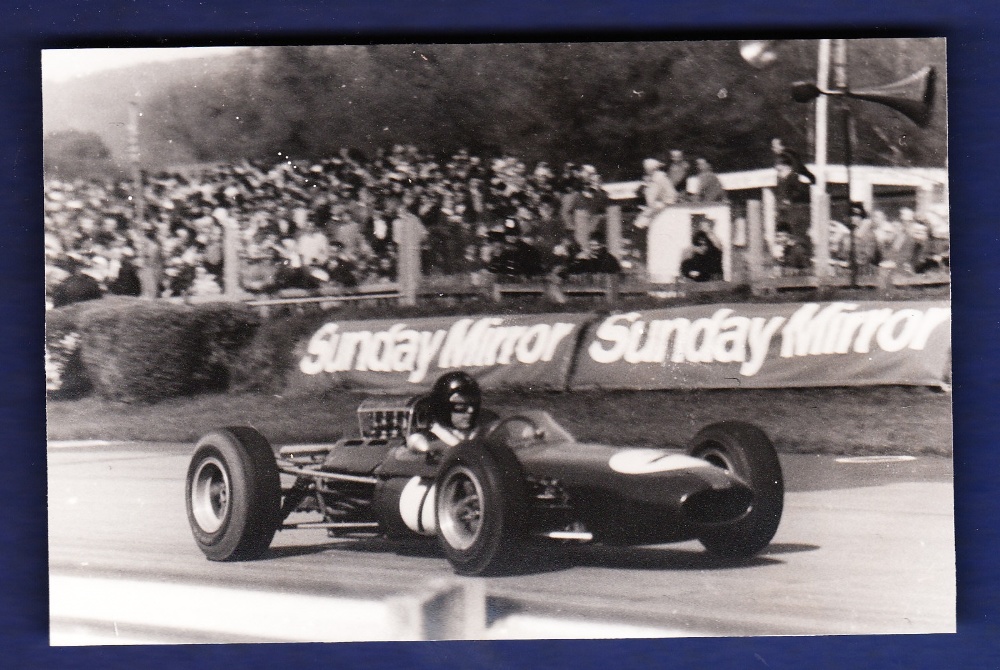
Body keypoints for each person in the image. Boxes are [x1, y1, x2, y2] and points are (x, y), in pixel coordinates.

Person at [407, 372, 499, 452]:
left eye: (473, 404)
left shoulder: (486, 429)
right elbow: (414, 444)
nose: (470, 411)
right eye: (461, 406)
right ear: (443, 407)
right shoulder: (427, 437)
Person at [635, 158, 676, 229]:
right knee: (642, 218)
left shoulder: (658, 178)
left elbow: (652, 198)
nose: (645, 171)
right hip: (658, 204)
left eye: (646, 169)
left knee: (641, 222)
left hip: (665, 204)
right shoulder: (653, 178)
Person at [679, 215, 724, 282]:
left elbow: (717, 248)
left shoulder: (714, 239)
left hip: (711, 270)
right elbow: (694, 248)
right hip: (700, 268)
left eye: (705, 225)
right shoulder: (698, 237)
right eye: (701, 226)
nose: (702, 228)